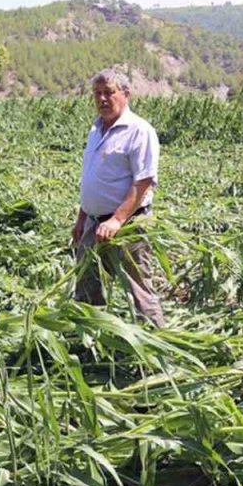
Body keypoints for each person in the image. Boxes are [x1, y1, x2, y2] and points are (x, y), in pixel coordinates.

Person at [71, 68, 166, 328]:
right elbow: (91, 176)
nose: (102, 99)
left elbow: (143, 181)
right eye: (97, 93)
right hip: (93, 223)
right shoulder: (96, 129)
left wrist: (116, 220)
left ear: (125, 94)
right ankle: (90, 337)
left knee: (138, 288)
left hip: (126, 225)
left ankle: (156, 341)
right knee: (87, 285)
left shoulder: (139, 130)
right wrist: (82, 217)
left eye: (108, 93)